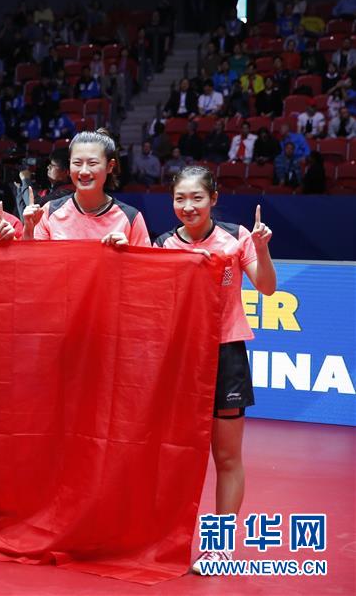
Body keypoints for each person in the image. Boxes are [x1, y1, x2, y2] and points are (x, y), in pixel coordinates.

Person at [154, 165, 275, 575]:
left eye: (197, 198)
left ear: (214, 198)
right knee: (172, 456)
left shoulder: (237, 236)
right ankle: (164, 539)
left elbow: (267, 286)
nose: (188, 207)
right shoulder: (163, 243)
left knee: (226, 457)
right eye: (180, 199)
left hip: (225, 355)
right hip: (180, 358)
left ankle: (220, 547)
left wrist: (263, 247)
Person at [23, 129, 150, 246]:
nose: (83, 171)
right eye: (77, 163)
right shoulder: (49, 211)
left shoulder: (131, 218)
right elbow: (36, 265)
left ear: (110, 166)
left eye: (92, 163)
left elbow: (145, 269)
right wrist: (28, 233)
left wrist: (127, 255)